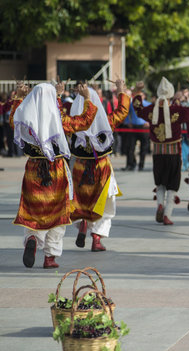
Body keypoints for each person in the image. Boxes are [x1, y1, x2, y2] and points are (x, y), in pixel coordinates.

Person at [10, 81, 97, 268]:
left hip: (33, 169)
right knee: (59, 212)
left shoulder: (25, 117)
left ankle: (33, 237)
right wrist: (87, 98)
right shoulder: (59, 120)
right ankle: (50, 257)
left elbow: (13, 120)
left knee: (33, 210)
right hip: (56, 170)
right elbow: (84, 121)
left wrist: (18, 96)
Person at [132, 77, 189, 225]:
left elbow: (137, 108)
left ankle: (159, 203)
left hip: (158, 154)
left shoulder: (151, 110)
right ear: (171, 94)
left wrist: (138, 91)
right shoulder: (177, 110)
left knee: (160, 183)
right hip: (173, 154)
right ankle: (167, 214)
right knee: (172, 184)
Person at [69, 79, 130, 252]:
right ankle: (96, 238)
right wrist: (121, 91)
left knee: (82, 199)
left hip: (80, 167)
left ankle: (83, 223)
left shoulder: (73, 123)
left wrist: (58, 95)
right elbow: (122, 112)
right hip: (101, 168)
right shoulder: (106, 122)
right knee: (105, 202)